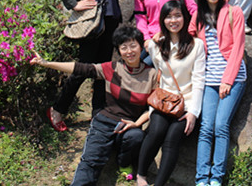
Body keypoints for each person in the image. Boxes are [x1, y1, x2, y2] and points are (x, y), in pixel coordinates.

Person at [31, 26, 158, 185]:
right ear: (118, 51)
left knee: (136, 137)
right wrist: (46, 63)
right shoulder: (112, 68)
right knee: (91, 161)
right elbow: (81, 68)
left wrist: (137, 123)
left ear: (141, 47)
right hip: (105, 121)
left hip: (128, 126)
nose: (129, 51)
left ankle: (123, 161)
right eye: (124, 47)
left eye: (133, 46)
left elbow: (153, 107)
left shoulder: (152, 74)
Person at [48, 0, 133, 132]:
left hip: (110, 19)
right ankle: (58, 108)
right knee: (83, 68)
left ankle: (98, 115)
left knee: (103, 70)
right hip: (92, 21)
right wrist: (74, 4)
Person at [136, 0, 206, 186]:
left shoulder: (196, 45)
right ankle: (141, 175)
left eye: (177, 16)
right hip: (163, 101)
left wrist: (193, 113)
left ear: (185, 18)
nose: (173, 20)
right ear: (162, 20)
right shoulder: (156, 46)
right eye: (168, 17)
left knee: (172, 138)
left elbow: (199, 81)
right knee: (156, 131)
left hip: (186, 104)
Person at [188, 0, 246, 186]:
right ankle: (202, 178)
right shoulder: (198, 15)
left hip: (232, 77)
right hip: (208, 78)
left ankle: (216, 178)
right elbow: (189, 38)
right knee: (206, 127)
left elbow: (238, 48)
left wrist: (228, 80)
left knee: (221, 125)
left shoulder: (234, 12)